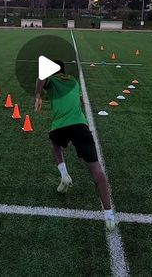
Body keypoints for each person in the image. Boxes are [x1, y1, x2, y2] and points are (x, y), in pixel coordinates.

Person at [34, 60, 116, 231]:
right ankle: (109, 215)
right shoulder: (73, 81)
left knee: (55, 145)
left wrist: (38, 95)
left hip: (61, 125)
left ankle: (64, 174)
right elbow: (78, 100)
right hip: (80, 124)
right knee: (96, 170)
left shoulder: (53, 80)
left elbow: (40, 78)